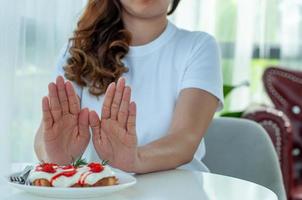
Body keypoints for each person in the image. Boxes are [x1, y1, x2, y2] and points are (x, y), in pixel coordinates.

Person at [34, 0, 223, 174]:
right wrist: (55, 157)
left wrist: (134, 159)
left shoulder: (198, 47)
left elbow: (184, 141)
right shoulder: (77, 52)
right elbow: (46, 136)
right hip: (103, 193)